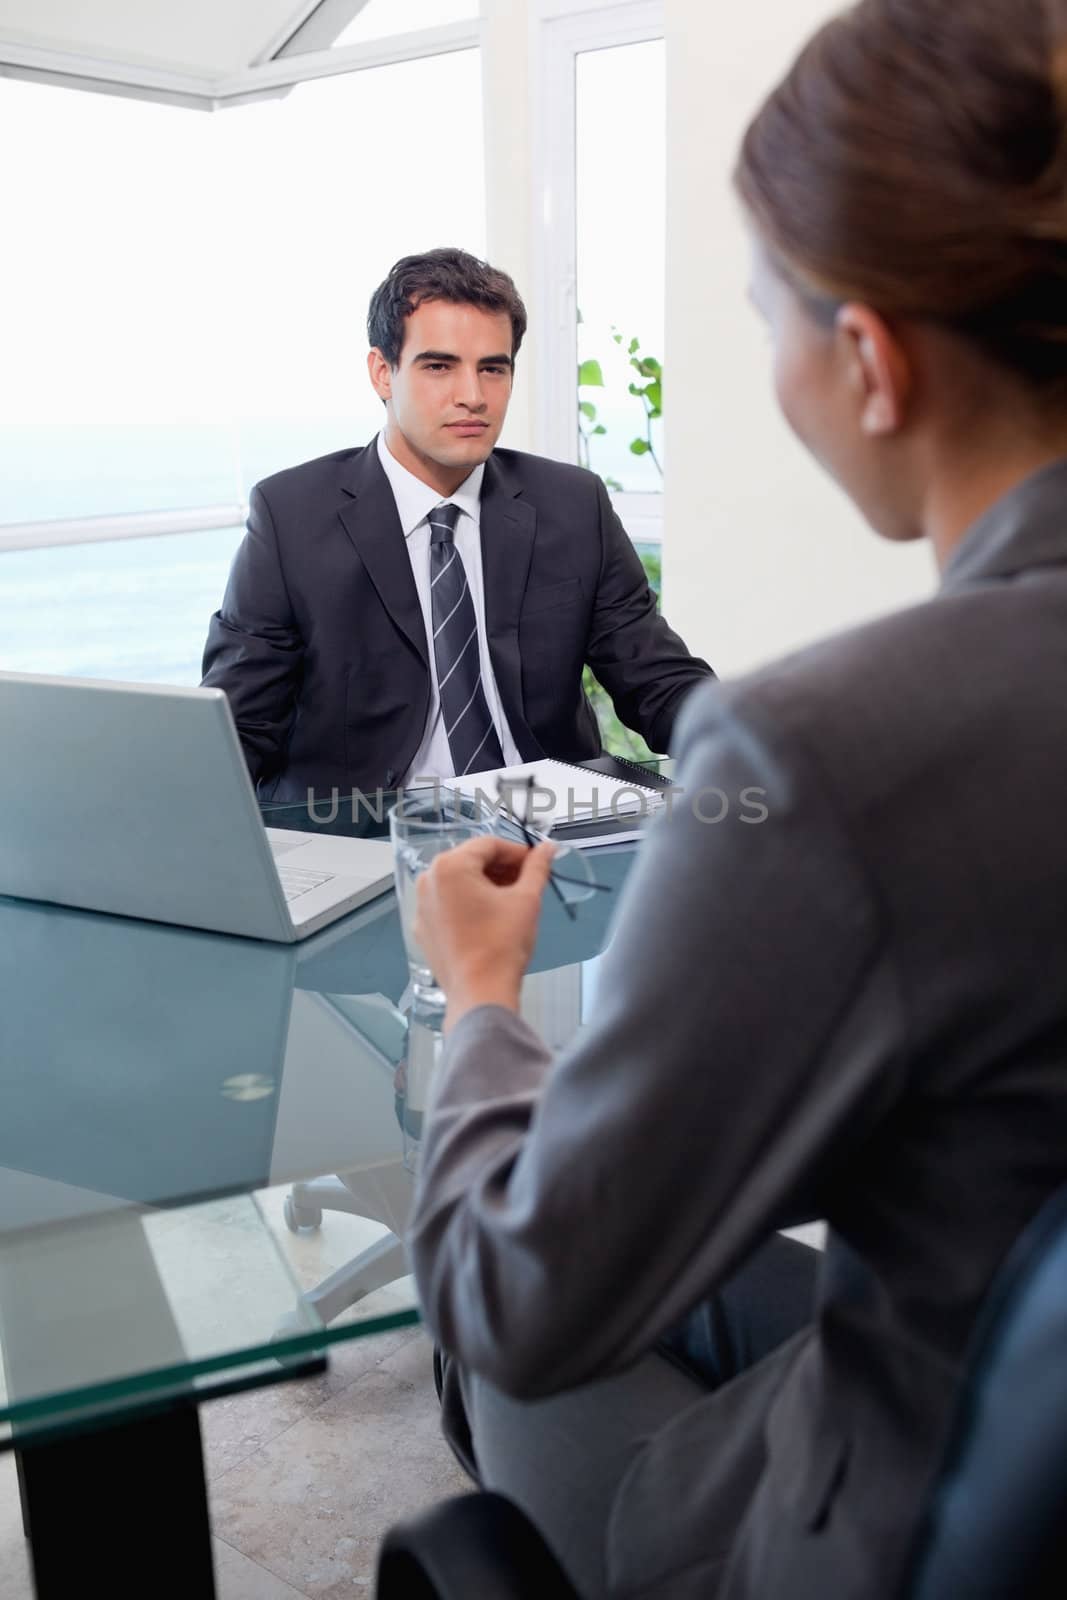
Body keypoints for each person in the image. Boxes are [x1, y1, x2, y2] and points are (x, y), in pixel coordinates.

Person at [405, 2, 1067, 1596]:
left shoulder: (834, 753)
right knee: (702, 1271)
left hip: (888, 1527)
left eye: (766, 313)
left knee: (492, 1314)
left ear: (866, 359)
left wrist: (484, 1001)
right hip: (990, 1355)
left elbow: (526, 1297)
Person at [201, 248, 712, 802]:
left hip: (552, 823)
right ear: (383, 373)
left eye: (493, 368)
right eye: (439, 366)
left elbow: (657, 681)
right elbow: (237, 731)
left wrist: (763, 745)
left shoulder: (572, 504)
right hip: (369, 832)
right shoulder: (290, 516)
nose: (473, 395)